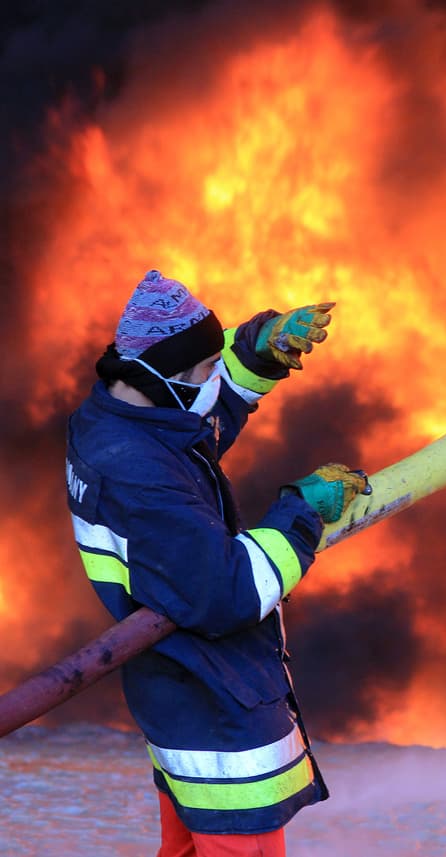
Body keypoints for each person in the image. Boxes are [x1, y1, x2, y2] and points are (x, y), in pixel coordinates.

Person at [64, 270, 370, 856]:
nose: (217, 379)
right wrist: (302, 511)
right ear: (167, 377)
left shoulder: (121, 421)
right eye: (209, 369)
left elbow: (199, 417)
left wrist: (260, 348)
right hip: (215, 709)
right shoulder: (139, 475)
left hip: (179, 696)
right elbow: (229, 592)